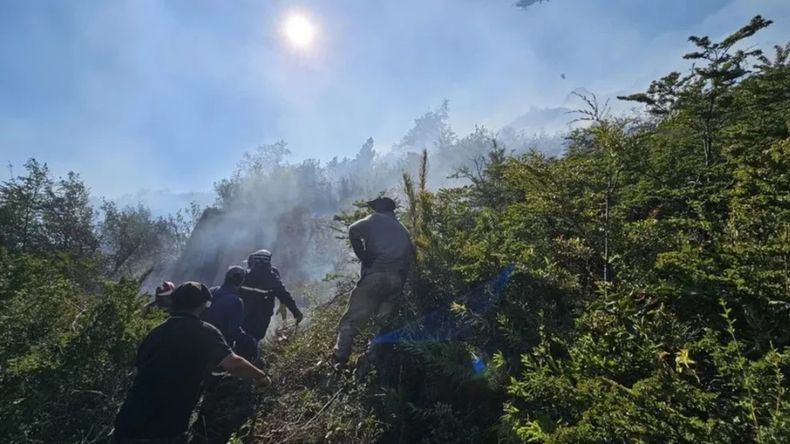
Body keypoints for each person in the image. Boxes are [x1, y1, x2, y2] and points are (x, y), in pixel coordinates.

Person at [114, 282, 269, 444]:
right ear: (203, 305)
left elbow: (140, 365)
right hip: (164, 428)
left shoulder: (156, 332)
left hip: (128, 422)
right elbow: (234, 364)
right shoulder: (205, 331)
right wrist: (261, 377)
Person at [333, 196, 413, 366]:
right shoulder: (403, 230)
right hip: (395, 281)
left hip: (374, 277)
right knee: (381, 324)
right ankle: (371, 357)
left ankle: (340, 357)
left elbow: (353, 229)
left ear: (378, 208)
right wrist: (400, 285)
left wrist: (362, 255)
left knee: (351, 320)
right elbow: (407, 262)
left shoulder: (374, 219)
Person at [191, 266, 259, 444]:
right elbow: (233, 330)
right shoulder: (236, 301)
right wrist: (249, 341)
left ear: (226, 277)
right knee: (207, 387)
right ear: (241, 282)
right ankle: (199, 427)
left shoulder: (212, 292)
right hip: (217, 350)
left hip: (197, 345)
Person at [238, 249, 303, 342]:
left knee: (241, 339)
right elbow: (285, 296)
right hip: (261, 318)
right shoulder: (272, 278)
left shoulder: (244, 276)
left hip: (244, 315)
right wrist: (296, 312)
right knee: (254, 339)